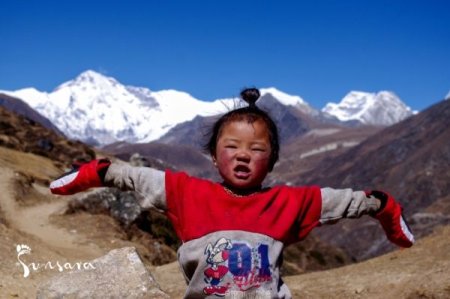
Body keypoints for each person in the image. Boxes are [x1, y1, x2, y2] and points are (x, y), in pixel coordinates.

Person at [50, 88, 414, 299]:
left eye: (257, 149)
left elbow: (357, 200)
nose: (244, 154)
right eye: (232, 146)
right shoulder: (185, 193)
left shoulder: (289, 202)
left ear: (271, 161)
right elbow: (125, 175)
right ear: (213, 155)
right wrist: (85, 175)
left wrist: (387, 210)